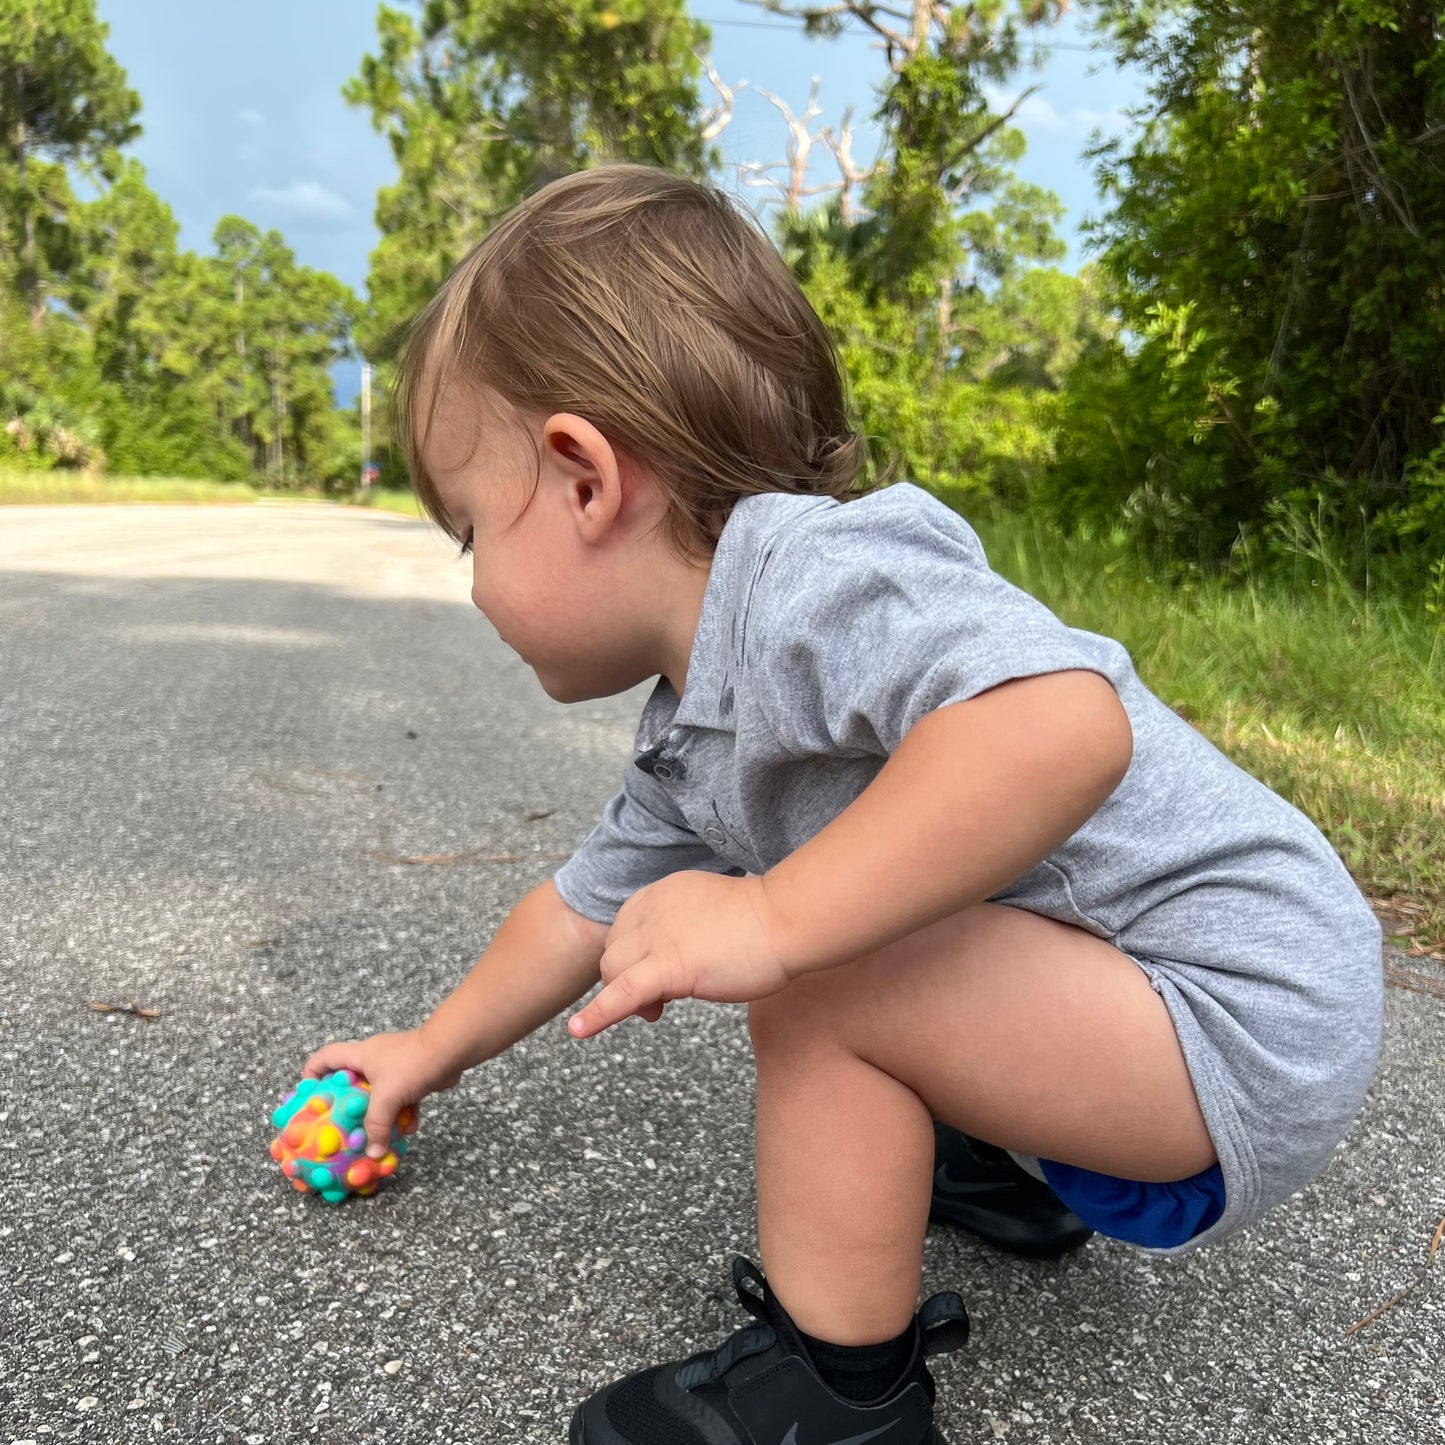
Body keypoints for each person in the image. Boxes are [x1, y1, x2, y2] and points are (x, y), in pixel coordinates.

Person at [302, 164, 1384, 1443]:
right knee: (848, 922)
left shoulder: (817, 579)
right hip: (1152, 1017)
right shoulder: (695, 726)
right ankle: (997, 1163)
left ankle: (840, 1395)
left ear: (583, 476)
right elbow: (578, 910)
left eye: (472, 530)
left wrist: (771, 917)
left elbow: (1061, 723)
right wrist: (428, 1049)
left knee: (817, 968)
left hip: (1238, 1012)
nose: (473, 579)